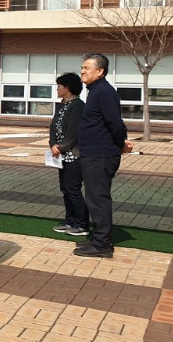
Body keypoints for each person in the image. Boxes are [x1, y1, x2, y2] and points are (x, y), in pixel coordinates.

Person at [75, 53, 133, 259]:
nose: (82, 70)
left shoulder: (103, 92)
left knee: (98, 199)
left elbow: (115, 123)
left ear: (100, 71)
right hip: (94, 153)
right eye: (82, 67)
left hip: (100, 155)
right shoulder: (95, 91)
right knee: (94, 197)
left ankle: (102, 244)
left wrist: (120, 143)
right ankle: (99, 239)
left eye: (87, 67)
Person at [49, 72, 89, 239]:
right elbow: (53, 128)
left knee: (73, 189)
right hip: (61, 155)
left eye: (59, 86)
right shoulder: (62, 105)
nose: (57, 88)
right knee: (65, 189)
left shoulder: (78, 105)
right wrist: (52, 144)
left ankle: (82, 224)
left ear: (68, 88)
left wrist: (62, 147)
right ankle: (70, 221)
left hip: (74, 155)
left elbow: (73, 132)